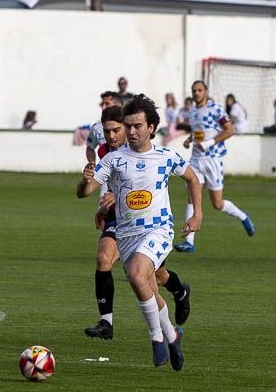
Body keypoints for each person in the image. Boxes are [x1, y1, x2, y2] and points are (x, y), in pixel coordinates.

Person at [78, 94, 202, 369]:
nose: (131, 132)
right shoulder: (114, 159)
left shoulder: (166, 156)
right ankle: (172, 337)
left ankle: (156, 338)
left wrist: (197, 216)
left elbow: (193, 179)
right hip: (125, 234)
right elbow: (84, 192)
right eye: (128, 126)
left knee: (136, 274)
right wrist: (85, 181)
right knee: (147, 287)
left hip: (158, 230)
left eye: (137, 126)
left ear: (151, 128)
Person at [175, 80, 255, 254]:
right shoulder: (193, 111)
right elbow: (199, 130)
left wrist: (210, 143)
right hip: (196, 159)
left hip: (213, 160)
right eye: (194, 90)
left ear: (206, 92)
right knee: (191, 196)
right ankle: (189, 241)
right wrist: (190, 139)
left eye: (199, 90)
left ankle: (243, 217)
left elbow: (229, 130)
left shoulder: (216, 109)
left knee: (217, 204)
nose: (196, 93)